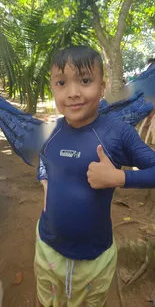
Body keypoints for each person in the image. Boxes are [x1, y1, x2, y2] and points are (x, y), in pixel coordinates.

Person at [35, 45, 155, 307]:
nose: (73, 92)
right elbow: (44, 158)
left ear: (102, 87)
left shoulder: (117, 133)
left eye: (86, 80)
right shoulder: (52, 131)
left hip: (93, 259)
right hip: (47, 249)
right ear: (53, 88)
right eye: (62, 82)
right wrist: (44, 180)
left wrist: (120, 178)